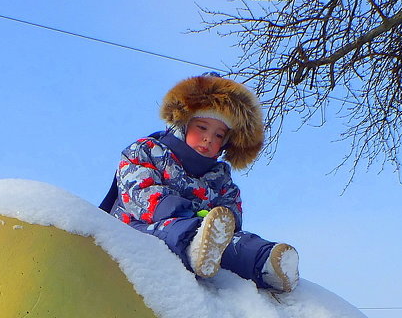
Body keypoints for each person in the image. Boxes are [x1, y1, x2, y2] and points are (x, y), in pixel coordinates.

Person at [100, 73, 299, 293]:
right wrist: (185, 214)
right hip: (139, 226)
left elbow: (231, 210)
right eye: (202, 128)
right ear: (184, 124)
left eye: (218, 135)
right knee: (180, 230)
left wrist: (223, 222)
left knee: (233, 241)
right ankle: (197, 247)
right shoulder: (147, 150)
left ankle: (267, 263)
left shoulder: (219, 177)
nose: (208, 139)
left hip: (204, 230)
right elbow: (140, 192)